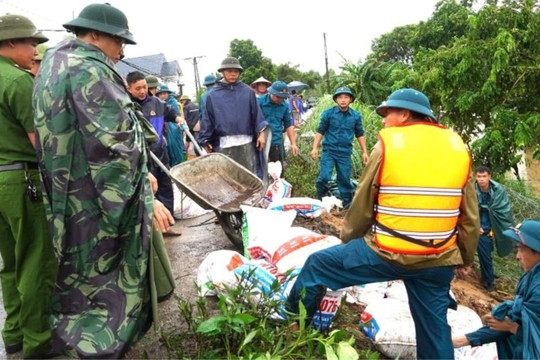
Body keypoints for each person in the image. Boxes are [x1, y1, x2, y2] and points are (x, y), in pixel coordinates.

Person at [287, 88, 479, 359]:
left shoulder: (389, 144)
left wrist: (349, 240)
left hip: (386, 253)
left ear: (405, 114)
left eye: (388, 114)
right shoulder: (458, 147)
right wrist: (464, 258)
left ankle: (296, 327)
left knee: (318, 265)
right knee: (435, 332)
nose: (384, 120)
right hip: (438, 259)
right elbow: (470, 216)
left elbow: (363, 204)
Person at [33, 4, 176, 357]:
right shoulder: (89, 70)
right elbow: (117, 144)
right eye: (118, 40)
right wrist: (145, 190)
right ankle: (96, 347)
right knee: (105, 280)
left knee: (74, 270)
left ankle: (70, 342)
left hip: (69, 193)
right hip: (97, 197)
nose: (122, 50)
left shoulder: (52, 64)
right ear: (94, 35)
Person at [0, 13, 57, 359]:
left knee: (10, 262)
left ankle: (15, 335)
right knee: (36, 260)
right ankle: (39, 342)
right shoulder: (18, 82)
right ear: (9, 43)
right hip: (22, 177)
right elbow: (41, 143)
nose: (33, 51)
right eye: (30, 44)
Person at [453, 220, 540, 359]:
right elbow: (517, 319)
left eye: (521, 249)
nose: (517, 256)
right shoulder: (530, 277)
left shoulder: (537, 289)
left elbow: (532, 331)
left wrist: (513, 328)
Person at [127, 71, 185, 216]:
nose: (142, 91)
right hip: (143, 155)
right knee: (150, 188)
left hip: (160, 151)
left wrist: (179, 119)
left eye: (144, 87)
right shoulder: (127, 107)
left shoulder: (156, 103)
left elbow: (170, 113)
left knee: (165, 185)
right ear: (129, 89)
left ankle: (169, 218)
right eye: (138, 88)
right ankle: (154, 224)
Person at [199, 56, 268, 177]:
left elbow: (257, 114)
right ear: (222, 72)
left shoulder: (247, 92)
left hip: (247, 143)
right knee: (228, 179)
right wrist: (205, 140)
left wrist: (262, 133)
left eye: (236, 71)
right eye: (229, 71)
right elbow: (208, 119)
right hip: (224, 144)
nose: (233, 74)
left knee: (249, 177)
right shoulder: (213, 95)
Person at [311, 86, 368, 208]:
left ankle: (347, 207)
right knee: (324, 177)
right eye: (340, 97)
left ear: (350, 100)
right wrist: (315, 148)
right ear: (336, 99)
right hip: (329, 151)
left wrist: (364, 152)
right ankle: (320, 200)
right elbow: (320, 131)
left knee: (344, 180)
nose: (343, 100)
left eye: (346, 97)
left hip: (344, 153)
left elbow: (360, 134)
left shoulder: (355, 116)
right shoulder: (328, 114)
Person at [475, 165, 514, 291]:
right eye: (479, 176)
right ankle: (489, 281)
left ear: (489, 177)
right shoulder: (471, 190)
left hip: (495, 223)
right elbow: (467, 209)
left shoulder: (498, 189)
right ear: (476, 177)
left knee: (489, 251)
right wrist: (475, 225)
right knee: (484, 250)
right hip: (480, 225)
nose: (481, 179)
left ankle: (488, 273)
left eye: (484, 176)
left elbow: (504, 208)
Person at [257, 81, 298, 175]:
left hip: (276, 141)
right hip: (260, 142)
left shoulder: (284, 106)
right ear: (271, 92)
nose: (280, 99)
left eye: (282, 97)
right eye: (277, 96)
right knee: (260, 171)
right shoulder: (259, 102)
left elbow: (288, 125)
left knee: (277, 172)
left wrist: (293, 144)